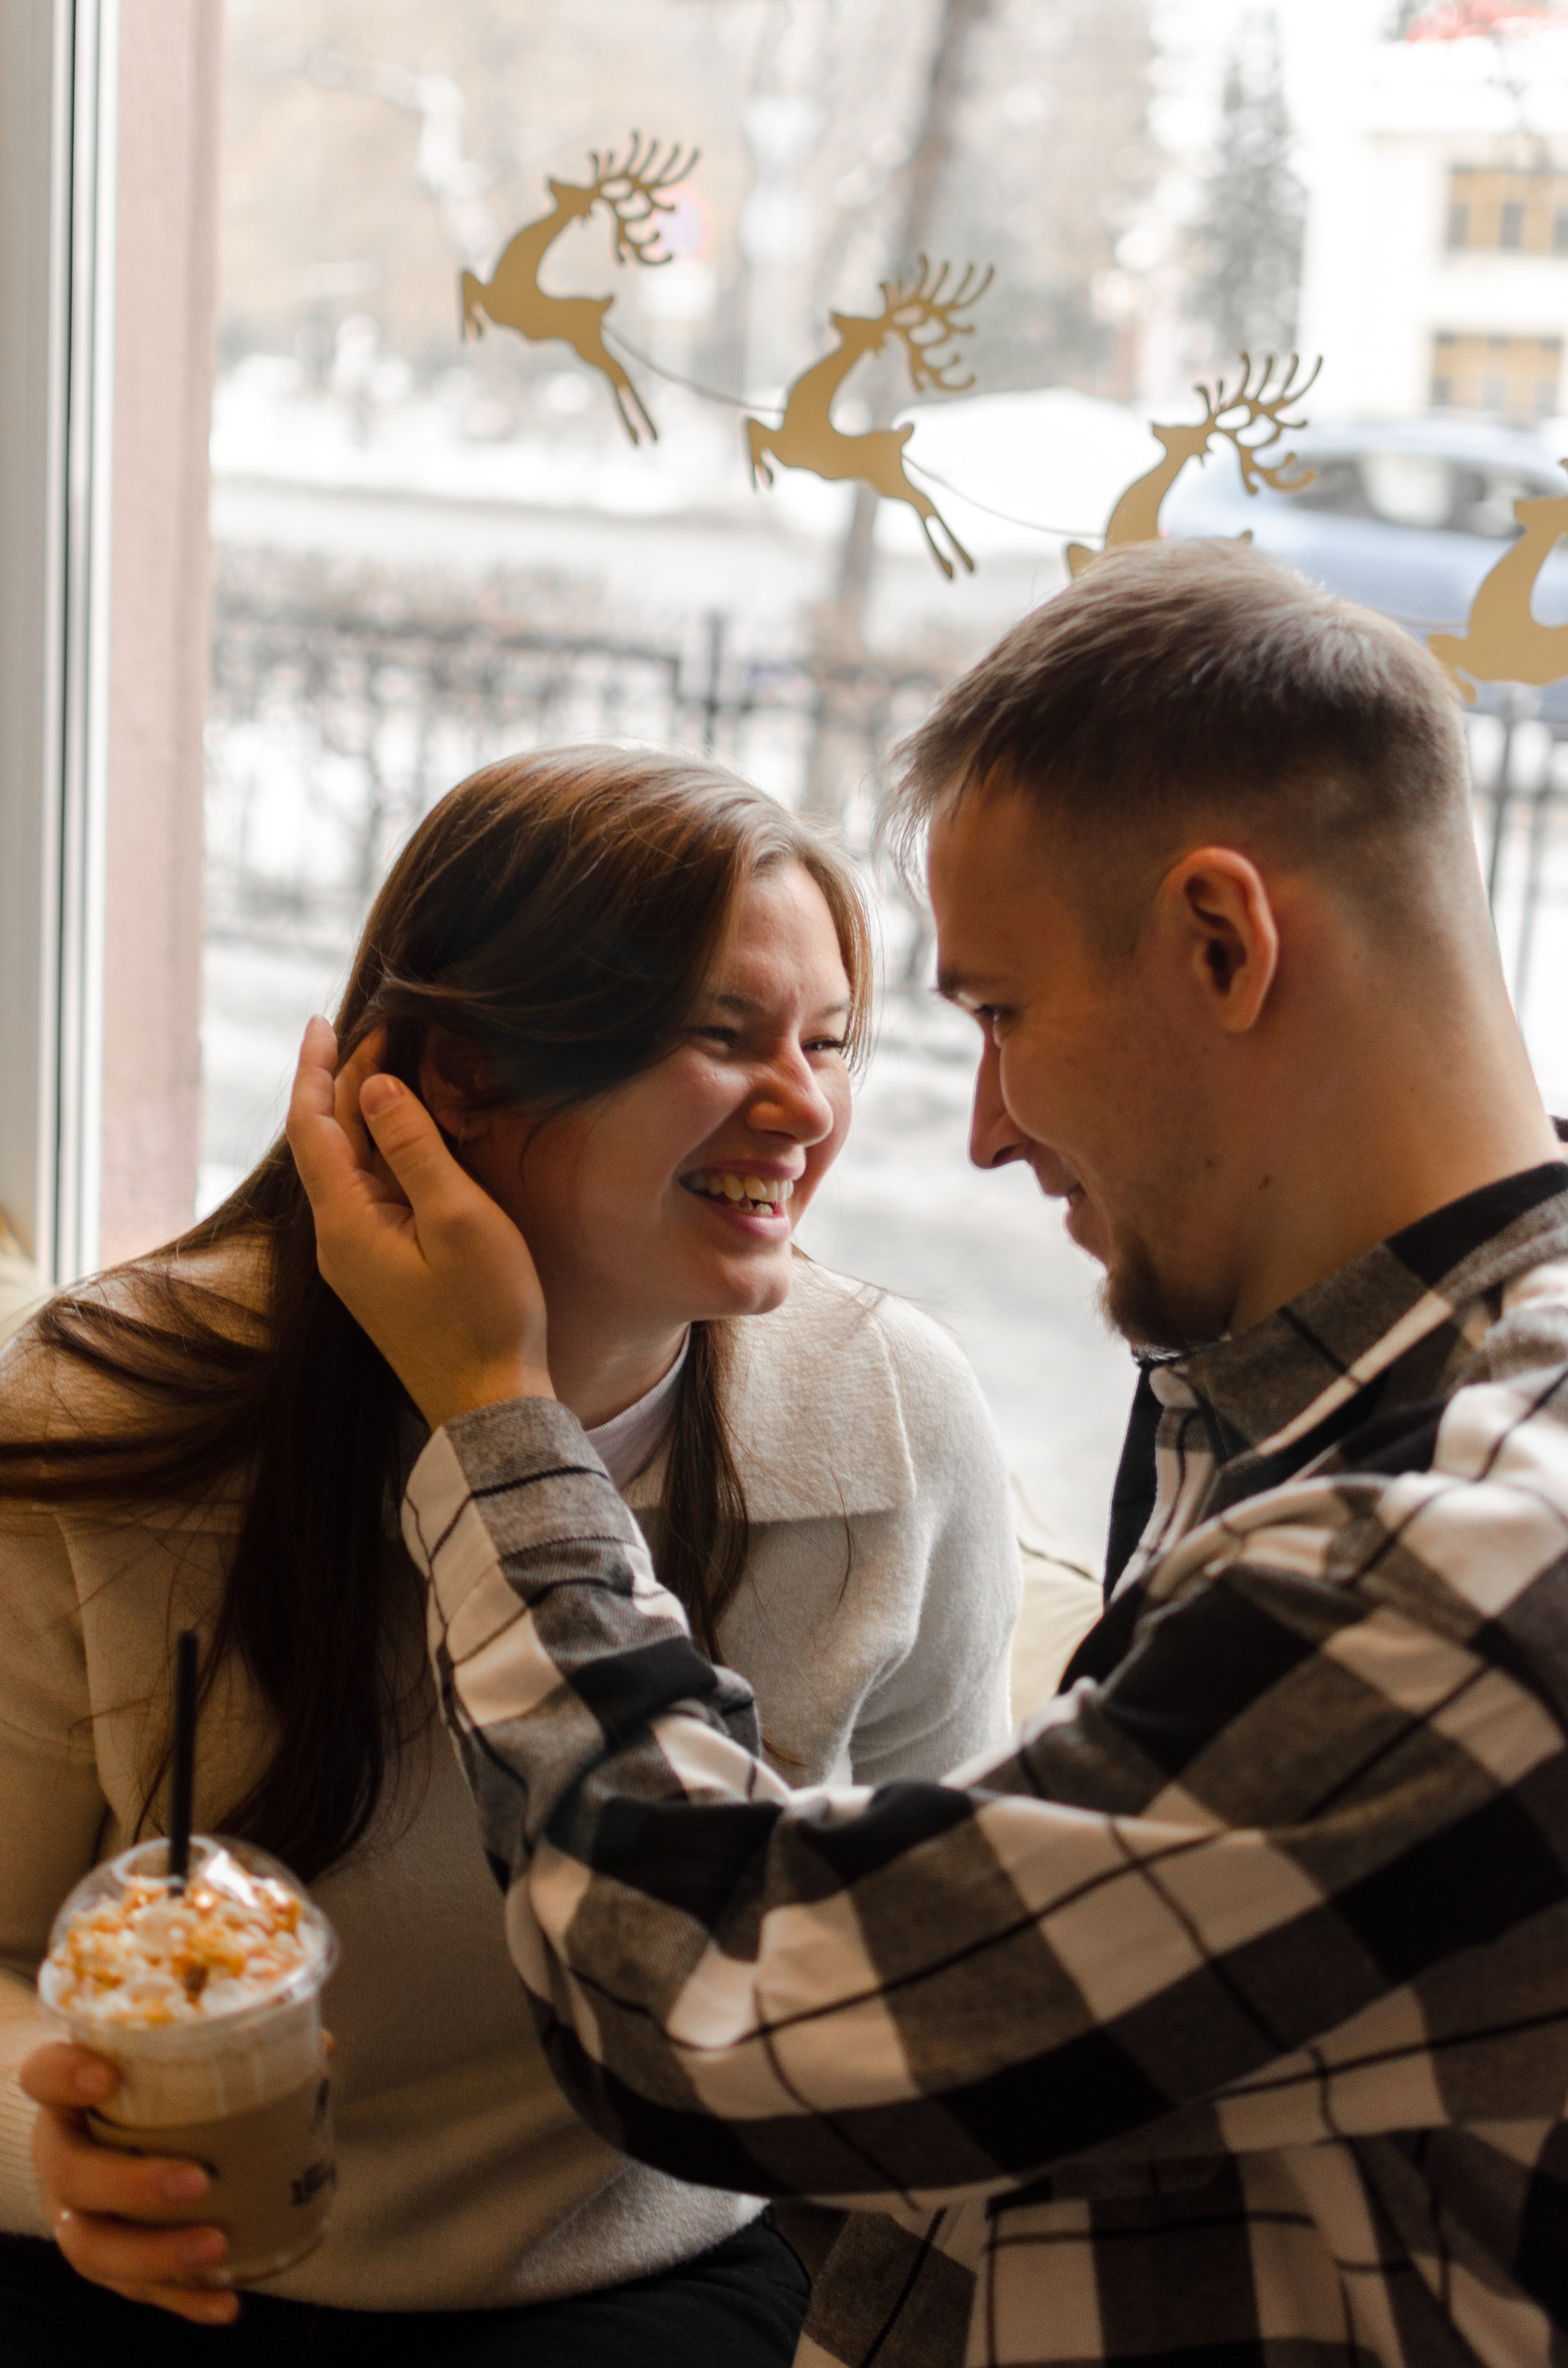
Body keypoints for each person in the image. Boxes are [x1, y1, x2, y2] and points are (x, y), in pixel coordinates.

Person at [292, 541, 1568, 2368]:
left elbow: (707, 1996)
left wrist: (499, 1421)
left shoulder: (1457, 1563)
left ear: (1222, 943)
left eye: (1001, 1014)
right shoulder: (1334, 1399)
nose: (980, 1130)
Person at [0, 748, 1022, 2364]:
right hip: (160, 2264)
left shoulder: (894, 1426)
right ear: (455, 1078)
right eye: (721, 1034)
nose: (810, 1107)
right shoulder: (108, 1410)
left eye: (828, 1041)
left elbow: (931, 1992)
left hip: (649, 2281)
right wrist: (45, 2148)